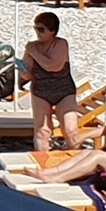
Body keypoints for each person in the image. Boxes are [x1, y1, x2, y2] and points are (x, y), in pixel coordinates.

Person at [22, 12, 83, 151]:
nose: (38, 32)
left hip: (64, 91)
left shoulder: (60, 44)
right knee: (42, 131)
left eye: (41, 29)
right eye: (36, 28)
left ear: (52, 31)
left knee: (70, 130)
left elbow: (53, 66)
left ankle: (76, 161)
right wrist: (22, 69)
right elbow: (27, 74)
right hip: (40, 91)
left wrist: (34, 53)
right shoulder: (32, 47)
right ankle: (43, 162)